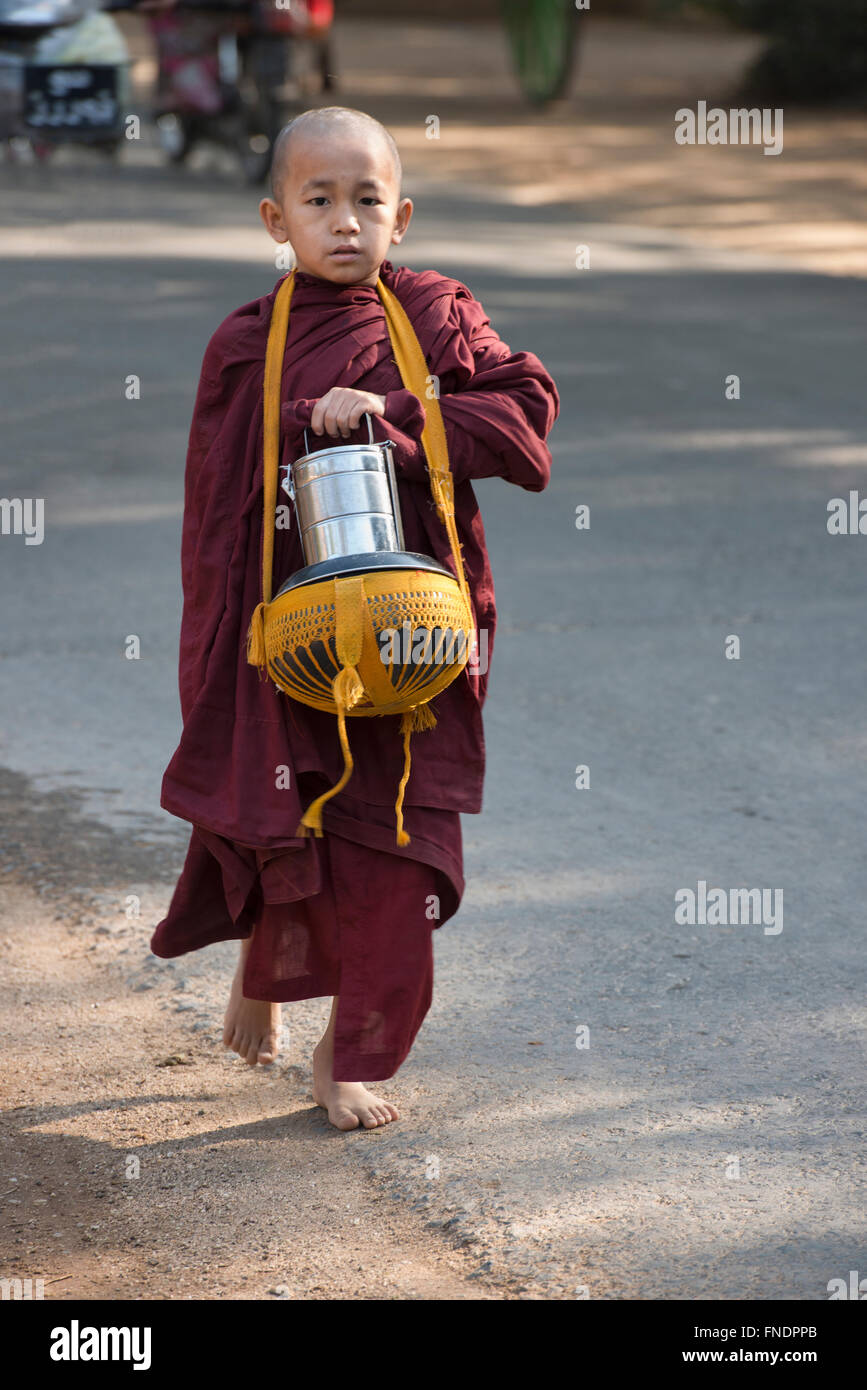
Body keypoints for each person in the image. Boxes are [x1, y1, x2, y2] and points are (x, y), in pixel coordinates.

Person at [150, 105, 559, 1131]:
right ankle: (265, 958)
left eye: (367, 200)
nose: (345, 222)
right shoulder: (246, 343)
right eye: (318, 201)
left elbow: (524, 417)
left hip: (412, 627)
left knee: (400, 835)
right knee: (284, 803)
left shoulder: (433, 315)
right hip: (288, 630)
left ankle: (350, 1050)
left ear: (403, 216)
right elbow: (217, 511)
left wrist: (400, 419)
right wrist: (302, 426)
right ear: (275, 220)